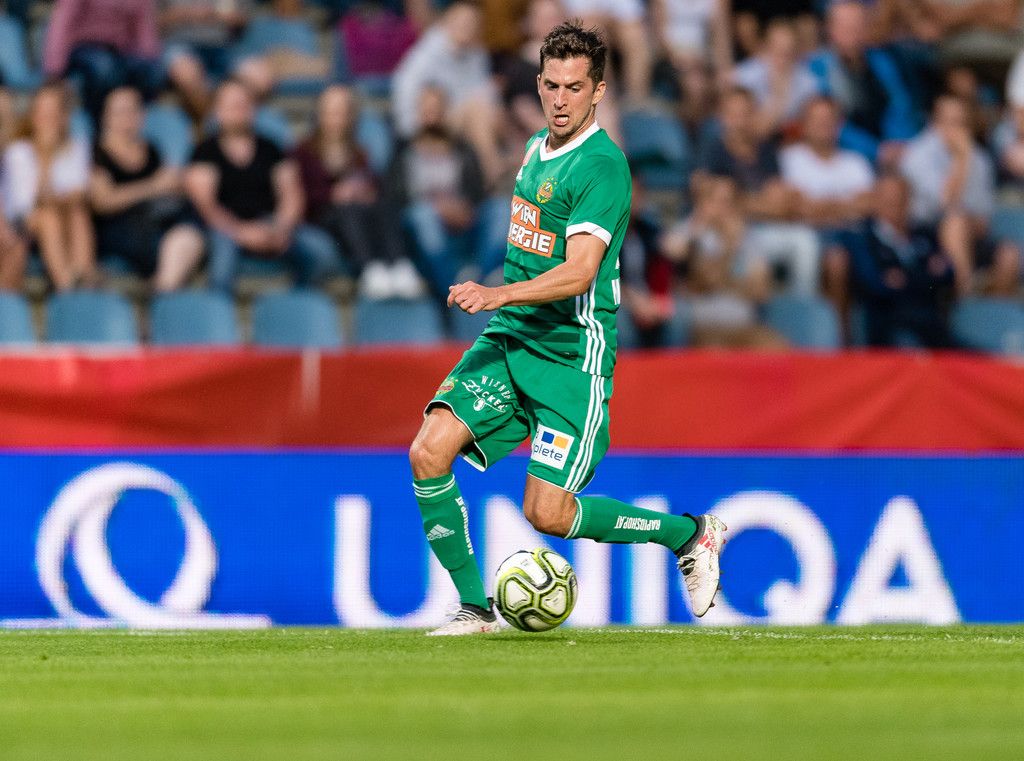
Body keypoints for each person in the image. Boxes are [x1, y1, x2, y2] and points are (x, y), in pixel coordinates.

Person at [408, 22, 726, 636]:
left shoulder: (603, 167)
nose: (560, 99)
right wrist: (505, 306)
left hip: (570, 357)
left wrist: (496, 293)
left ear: (598, 90)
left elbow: (580, 272)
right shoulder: (535, 147)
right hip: (511, 339)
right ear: (538, 84)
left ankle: (689, 535)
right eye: (551, 85)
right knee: (427, 451)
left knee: (547, 514)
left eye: (574, 88)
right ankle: (475, 608)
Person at [184, 78, 337, 293]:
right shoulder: (203, 152)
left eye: (243, 104)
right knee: (222, 262)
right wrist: (241, 233)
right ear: (217, 111)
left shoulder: (272, 149)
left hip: (270, 223)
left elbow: (292, 194)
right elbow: (206, 206)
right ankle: (219, 308)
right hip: (224, 229)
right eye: (232, 105)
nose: (238, 110)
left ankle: (297, 303)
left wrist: (280, 228)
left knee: (322, 251)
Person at [292, 85, 422, 299]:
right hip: (324, 216)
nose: (337, 119)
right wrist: (332, 194)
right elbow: (301, 193)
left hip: (361, 211)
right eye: (331, 113)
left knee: (384, 206)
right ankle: (369, 268)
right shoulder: (303, 152)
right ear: (319, 115)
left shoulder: (359, 151)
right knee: (348, 211)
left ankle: (399, 264)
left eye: (342, 113)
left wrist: (365, 191)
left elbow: (374, 183)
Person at [695, 86, 820, 297]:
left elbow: (782, 204)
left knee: (804, 241)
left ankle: (802, 307)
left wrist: (742, 201)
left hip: (762, 229)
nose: (739, 121)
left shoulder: (765, 150)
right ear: (722, 117)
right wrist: (757, 203)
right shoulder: (713, 150)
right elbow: (711, 203)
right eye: (733, 114)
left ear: (753, 115)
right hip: (723, 231)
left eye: (745, 114)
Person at [386, 85, 507, 297]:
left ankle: (479, 278)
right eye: (426, 109)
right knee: (423, 215)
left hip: (464, 218)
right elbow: (394, 196)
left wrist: (465, 207)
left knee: (501, 208)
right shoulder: (403, 150)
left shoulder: (463, 148)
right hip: (422, 220)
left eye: (436, 109)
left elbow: (477, 190)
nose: (431, 116)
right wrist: (437, 208)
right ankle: (450, 289)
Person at [900, 94, 1020, 295]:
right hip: (923, 236)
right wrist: (961, 160)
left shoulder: (980, 158)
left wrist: (965, 155)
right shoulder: (917, 154)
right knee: (955, 223)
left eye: (960, 122)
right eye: (948, 121)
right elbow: (945, 202)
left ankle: (988, 310)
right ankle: (964, 300)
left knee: (1009, 255)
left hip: (970, 233)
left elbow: (984, 220)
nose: (955, 129)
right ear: (934, 122)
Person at [90, 87, 205, 292]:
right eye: (120, 112)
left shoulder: (151, 149)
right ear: (106, 117)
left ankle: (163, 289)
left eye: (133, 110)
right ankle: (163, 292)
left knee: (189, 229)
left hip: (156, 221)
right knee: (176, 240)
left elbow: (165, 187)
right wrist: (153, 186)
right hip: (120, 228)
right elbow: (103, 201)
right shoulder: (97, 152)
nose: (127, 117)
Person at [839, 174, 955, 348]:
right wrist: (925, 276)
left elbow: (948, 274)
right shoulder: (863, 239)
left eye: (900, 199)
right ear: (875, 201)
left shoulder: (924, 235)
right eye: (888, 200)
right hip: (889, 329)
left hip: (932, 327)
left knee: (975, 357)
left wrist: (905, 279)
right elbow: (875, 284)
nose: (895, 206)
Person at [1, 82, 97, 290]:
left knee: (78, 215)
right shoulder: (18, 151)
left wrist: (54, 199)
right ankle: (66, 286)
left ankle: (84, 280)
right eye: (41, 113)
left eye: (52, 114)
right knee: (49, 218)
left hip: (65, 215)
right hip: (27, 221)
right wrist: (45, 156)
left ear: (63, 118)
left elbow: (80, 194)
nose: (46, 120)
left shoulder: (76, 147)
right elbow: (26, 204)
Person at [807, 0, 920, 165]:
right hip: (845, 155)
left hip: (893, 147)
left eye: (857, 27)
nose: (853, 35)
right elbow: (828, 122)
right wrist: (876, 150)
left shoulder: (881, 61)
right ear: (830, 29)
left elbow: (900, 103)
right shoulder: (818, 69)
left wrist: (897, 140)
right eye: (845, 28)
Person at [43, 0, 163, 125]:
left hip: (120, 51)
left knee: (152, 74)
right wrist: (54, 70)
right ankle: (99, 124)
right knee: (105, 70)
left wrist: (150, 61)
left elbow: (144, 29)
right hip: (84, 47)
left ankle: (135, 121)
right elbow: (62, 22)